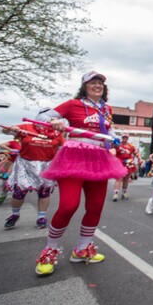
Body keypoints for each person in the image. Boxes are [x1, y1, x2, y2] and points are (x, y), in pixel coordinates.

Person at [33, 71, 127, 276]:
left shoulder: (106, 109)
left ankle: (83, 248)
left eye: (100, 83)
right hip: (74, 157)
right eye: (93, 82)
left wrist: (113, 139)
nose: (97, 85)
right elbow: (41, 117)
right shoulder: (73, 104)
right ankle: (49, 250)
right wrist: (54, 123)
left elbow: (108, 132)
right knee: (68, 205)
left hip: (98, 159)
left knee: (95, 206)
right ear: (84, 86)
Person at [1, 118, 64, 229]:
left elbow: (62, 147)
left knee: (44, 191)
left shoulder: (57, 132)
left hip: (46, 165)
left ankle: (41, 217)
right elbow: (5, 131)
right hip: (26, 164)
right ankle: (15, 214)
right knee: (19, 192)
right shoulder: (26, 127)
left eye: (52, 119)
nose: (50, 121)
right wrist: (12, 129)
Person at [113, 133, 142, 201]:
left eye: (126, 137)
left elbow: (136, 153)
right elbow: (113, 151)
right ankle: (116, 194)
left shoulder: (131, 146)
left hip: (129, 164)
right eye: (123, 137)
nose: (124, 138)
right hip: (120, 164)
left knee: (126, 179)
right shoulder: (118, 144)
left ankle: (124, 192)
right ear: (122, 137)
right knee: (119, 179)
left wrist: (140, 158)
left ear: (127, 138)